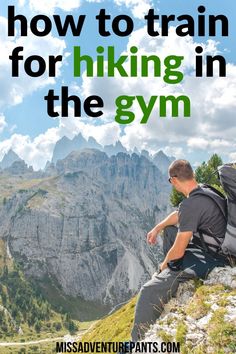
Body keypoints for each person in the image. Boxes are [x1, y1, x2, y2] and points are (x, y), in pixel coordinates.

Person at [131, 159, 230, 342]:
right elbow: (179, 214)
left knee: (148, 291)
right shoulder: (205, 190)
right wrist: (158, 227)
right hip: (217, 248)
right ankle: (170, 276)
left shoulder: (191, 204)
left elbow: (178, 248)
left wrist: (163, 267)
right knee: (169, 230)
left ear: (173, 181)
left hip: (213, 259)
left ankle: (135, 342)